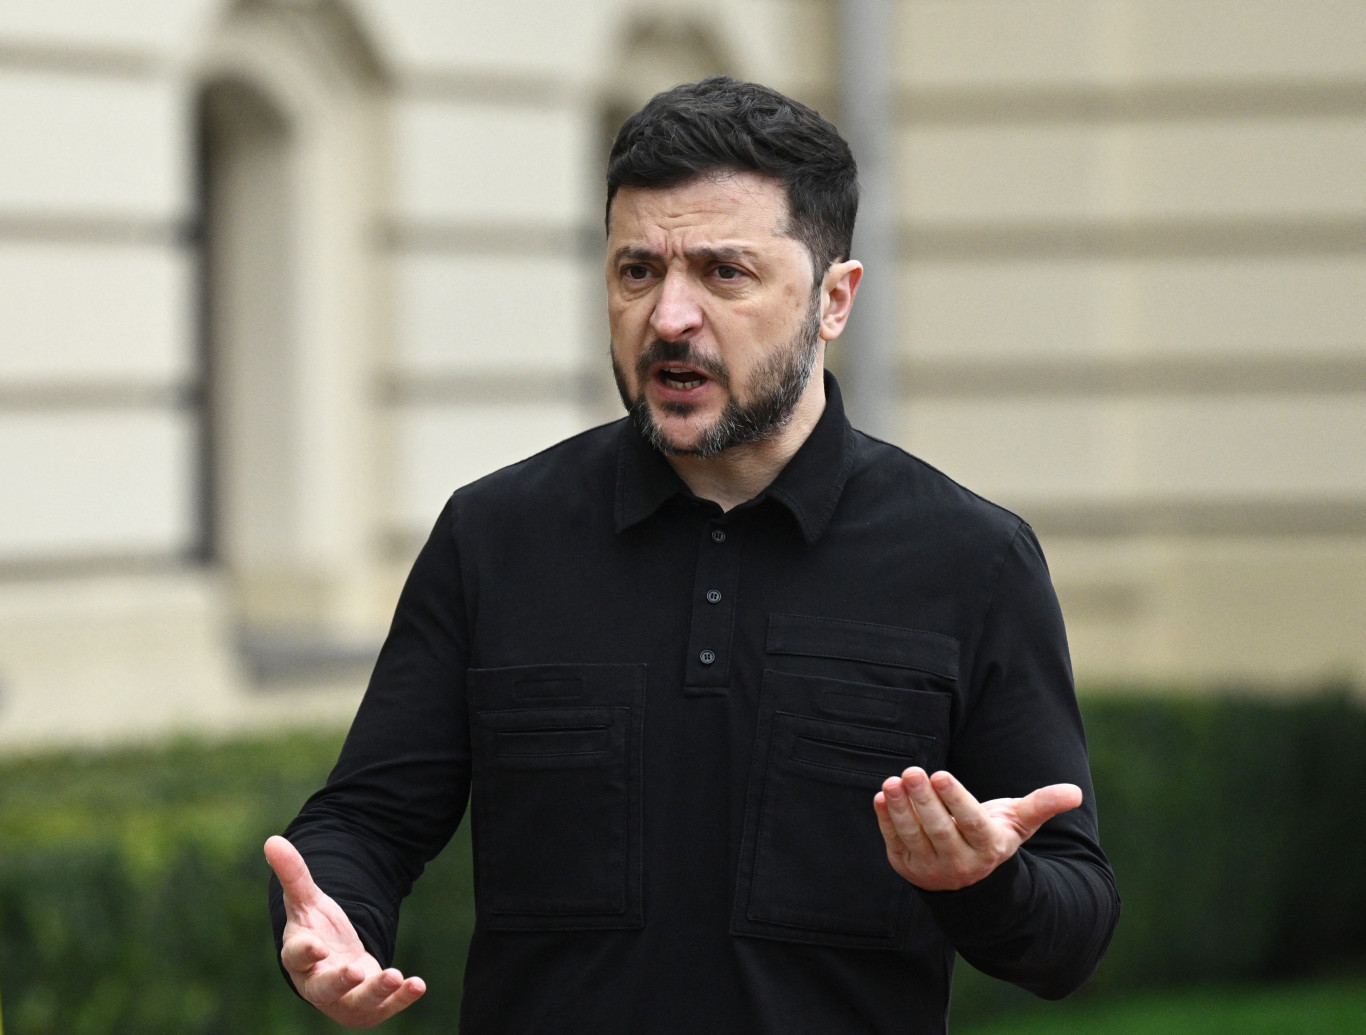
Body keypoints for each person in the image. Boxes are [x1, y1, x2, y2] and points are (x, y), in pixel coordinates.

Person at [267, 75, 1119, 1033]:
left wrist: (985, 883)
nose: (669, 316)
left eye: (723, 273)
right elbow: (367, 821)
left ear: (834, 299)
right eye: (638, 271)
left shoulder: (971, 559)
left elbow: (1073, 928)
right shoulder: (494, 535)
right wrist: (333, 915)